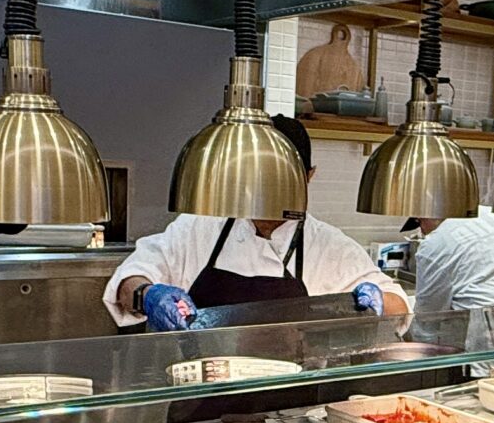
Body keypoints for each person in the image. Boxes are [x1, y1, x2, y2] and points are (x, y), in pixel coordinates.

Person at [106, 116, 409, 329]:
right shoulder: (198, 227)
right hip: (200, 395)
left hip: (295, 407)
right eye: (259, 180)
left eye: (282, 181)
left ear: (308, 177)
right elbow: (131, 278)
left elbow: (401, 305)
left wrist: (379, 301)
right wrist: (147, 296)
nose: (267, 194)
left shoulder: (330, 245)